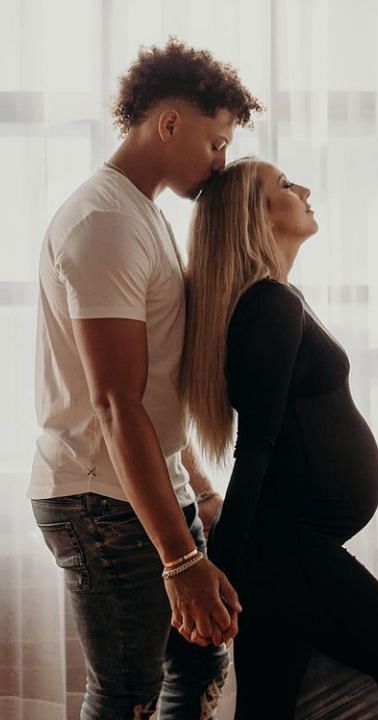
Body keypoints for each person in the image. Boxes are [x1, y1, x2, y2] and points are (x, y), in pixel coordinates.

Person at [30, 38, 261, 718]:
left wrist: (200, 492)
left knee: (201, 665)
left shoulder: (141, 214)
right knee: (128, 696)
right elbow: (114, 402)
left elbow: (153, 388)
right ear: (169, 124)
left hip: (141, 487)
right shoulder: (104, 222)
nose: (221, 163)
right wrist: (180, 560)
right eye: (216, 143)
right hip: (101, 503)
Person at [181, 157, 378, 719]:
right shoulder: (268, 305)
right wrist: (220, 572)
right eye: (283, 184)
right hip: (285, 550)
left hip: (285, 549)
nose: (303, 188)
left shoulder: (278, 297)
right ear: (256, 215)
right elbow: (257, 448)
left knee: (266, 710)